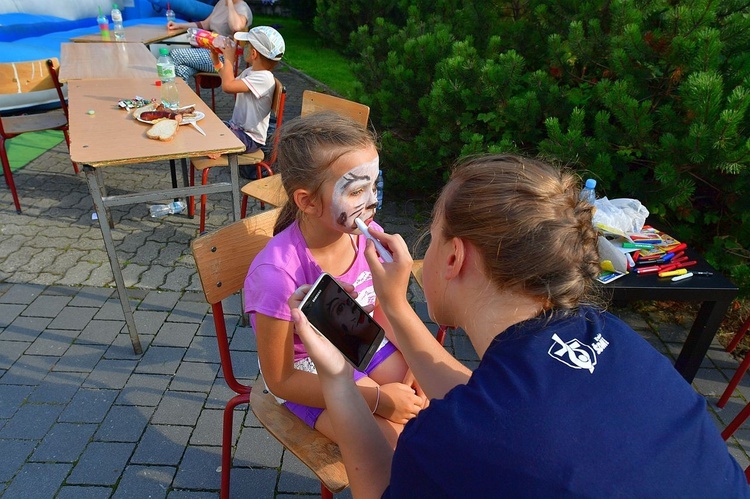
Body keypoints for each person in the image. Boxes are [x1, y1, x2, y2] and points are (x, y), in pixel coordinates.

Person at [289, 154, 750, 497]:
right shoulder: (602, 331)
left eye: (431, 231)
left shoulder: (450, 441)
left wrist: (337, 380)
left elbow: (382, 488)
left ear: (453, 257)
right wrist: (395, 305)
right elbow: (494, 401)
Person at [244, 112, 426, 449]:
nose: (372, 201)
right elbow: (281, 379)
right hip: (305, 369)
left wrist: (418, 362)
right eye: (357, 190)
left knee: (426, 405)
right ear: (308, 201)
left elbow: (385, 313)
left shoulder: (369, 240)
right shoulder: (276, 276)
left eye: (375, 184)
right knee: (391, 445)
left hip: (360, 337)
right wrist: (378, 400)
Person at [204, 26, 284, 161]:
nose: (243, 47)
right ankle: (221, 144)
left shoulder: (264, 78)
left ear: (253, 54)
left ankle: (221, 146)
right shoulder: (251, 72)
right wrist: (216, 60)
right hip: (236, 129)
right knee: (207, 126)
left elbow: (227, 86)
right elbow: (228, 81)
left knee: (210, 139)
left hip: (250, 138)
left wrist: (229, 58)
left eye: (246, 45)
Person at [167, 0, 252, 81]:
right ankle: (181, 95)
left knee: (175, 55)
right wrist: (178, 25)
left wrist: (230, 3)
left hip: (225, 58)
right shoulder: (221, 3)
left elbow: (236, 26)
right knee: (181, 69)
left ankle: (170, 92)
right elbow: (205, 24)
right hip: (209, 50)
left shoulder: (242, 7)